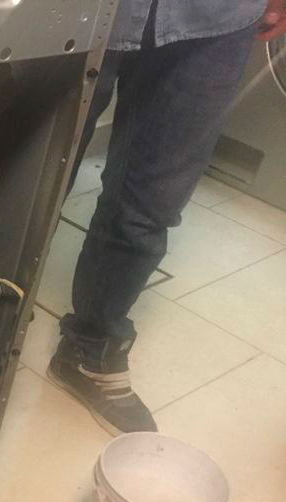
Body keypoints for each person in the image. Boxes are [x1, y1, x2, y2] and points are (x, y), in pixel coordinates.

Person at [49, 0, 286, 434]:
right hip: (77, 7)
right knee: (31, 175)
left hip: (217, 17)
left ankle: (90, 350)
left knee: (151, 204)